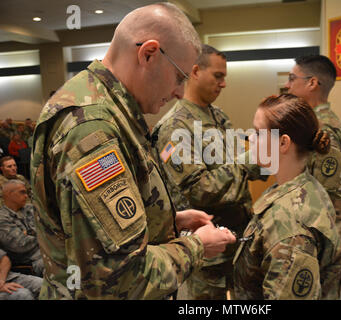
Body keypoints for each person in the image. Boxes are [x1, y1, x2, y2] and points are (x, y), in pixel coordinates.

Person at [30, 3, 235, 300]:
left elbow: (89, 227)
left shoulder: (109, 106)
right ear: (148, 54)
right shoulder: (92, 128)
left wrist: (165, 219)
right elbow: (123, 278)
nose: (180, 92)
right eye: (179, 77)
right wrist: (198, 246)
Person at [152, 44, 266, 300]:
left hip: (240, 234)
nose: (223, 83)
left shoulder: (218, 116)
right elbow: (198, 191)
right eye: (218, 76)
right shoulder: (175, 126)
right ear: (194, 72)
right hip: (208, 246)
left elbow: (242, 168)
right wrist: (247, 163)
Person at [232, 94, 341, 300]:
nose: (250, 138)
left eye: (258, 132)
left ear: (283, 143)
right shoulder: (303, 185)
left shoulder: (291, 231)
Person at [285, 55, 341, 265]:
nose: (287, 85)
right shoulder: (319, 122)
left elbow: (332, 199)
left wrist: (320, 255)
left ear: (312, 83)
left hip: (326, 246)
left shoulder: (322, 129)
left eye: (292, 78)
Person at [0, 180, 43, 276]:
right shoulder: (2, 218)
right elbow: (21, 245)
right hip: (32, 260)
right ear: (8, 194)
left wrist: (29, 233)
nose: (26, 196)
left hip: (48, 251)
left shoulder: (30, 209)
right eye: (22, 192)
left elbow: (51, 228)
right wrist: (44, 236)